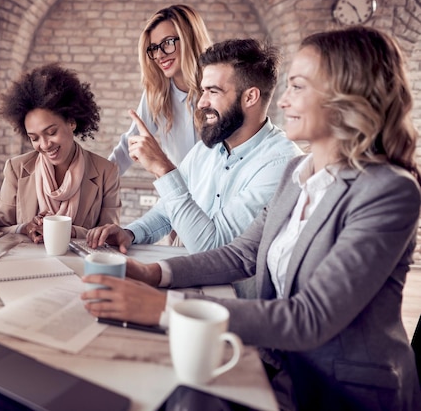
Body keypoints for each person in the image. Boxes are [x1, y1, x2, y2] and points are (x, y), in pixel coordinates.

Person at [82, 26, 421, 410]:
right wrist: (153, 273)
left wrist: (162, 308)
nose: (284, 101)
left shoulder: (389, 191)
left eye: (297, 86)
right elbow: (240, 254)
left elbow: (310, 316)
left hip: (344, 393)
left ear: (346, 97)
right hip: (279, 367)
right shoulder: (299, 171)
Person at [87, 39, 302, 255]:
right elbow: (166, 212)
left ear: (250, 97)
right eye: (203, 91)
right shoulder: (206, 149)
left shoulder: (283, 165)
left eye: (213, 91)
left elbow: (211, 248)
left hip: (233, 288)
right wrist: (131, 233)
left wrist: (163, 169)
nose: (201, 103)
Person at [0, 63, 120, 241]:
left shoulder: (106, 172)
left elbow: (111, 237)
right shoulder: (16, 169)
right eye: (34, 138)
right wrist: (24, 228)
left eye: (51, 132)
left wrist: (71, 231)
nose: (44, 145)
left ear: (71, 122)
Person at [108, 4, 211, 175]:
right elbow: (128, 146)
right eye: (154, 47)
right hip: (177, 195)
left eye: (168, 43)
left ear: (189, 39)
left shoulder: (220, 88)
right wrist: (94, 186)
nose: (159, 55)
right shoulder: (157, 94)